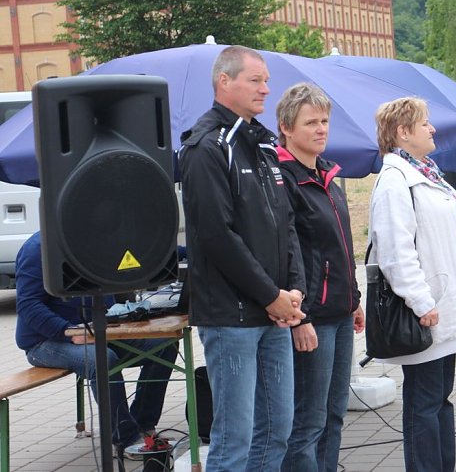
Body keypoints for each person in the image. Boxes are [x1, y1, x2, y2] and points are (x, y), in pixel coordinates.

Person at [179, 45, 306, 472]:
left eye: (267, 80)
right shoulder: (207, 148)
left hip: (275, 312)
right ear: (224, 82)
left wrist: (293, 291)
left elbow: (286, 225)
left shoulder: (264, 144)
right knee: (233, 439)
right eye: (256, 80)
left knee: (277, 429)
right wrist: (270, 295)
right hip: (232, 317)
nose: (266, 89)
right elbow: (216, 236)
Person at [369, 97, 456, 472]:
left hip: (444, 308)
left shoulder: (426, 173)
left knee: (439, 399)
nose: (432, 129)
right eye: (425, 123)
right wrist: (422, 302)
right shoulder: (395, 180)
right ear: (403, 132)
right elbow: (395, 251)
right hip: (426, 312)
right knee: (424, 402)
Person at [14, 231, 178, 468]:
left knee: (164, 345)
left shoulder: (94, 239)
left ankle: (143, 425)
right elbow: (28, 305)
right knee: (103, 359)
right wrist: (67, 332)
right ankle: (125, 439)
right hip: (44, 342)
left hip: (98, 331)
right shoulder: (37, 248)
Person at [275, 83, 365, 472]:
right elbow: (288, 254)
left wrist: (355, 299)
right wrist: (301, 317)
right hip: (312, 317)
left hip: (341, 312)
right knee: (308, 420)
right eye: (310, 122)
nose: (321, 129)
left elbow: (341, 245)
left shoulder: (327, 175)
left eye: (325, 120)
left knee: (334, 413)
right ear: (286, 128)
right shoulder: (284, 181)